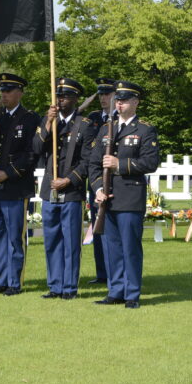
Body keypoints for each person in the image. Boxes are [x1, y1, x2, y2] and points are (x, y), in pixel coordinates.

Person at [91, 81, 160, 309]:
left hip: (130, 198)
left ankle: (132, 294)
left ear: (135, 102)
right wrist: (99, 189)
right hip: (107, 199)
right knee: (112, 249)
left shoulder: (144, 130)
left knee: (130, 248)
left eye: (124, 100)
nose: (119, 104)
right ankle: (115, 290)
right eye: (117, 100)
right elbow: (94, 163)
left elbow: (150, 162)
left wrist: (119, 164)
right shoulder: (105, 129)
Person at [32, 77, 97, 300]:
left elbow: (87, 161)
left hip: (70, 190)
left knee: (70, 241)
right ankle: (55, 285)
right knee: (51, 239)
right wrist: (48, 124)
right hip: (50, 189)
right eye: (58, 96)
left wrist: (68, 180)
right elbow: (37, 148)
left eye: (66, 96)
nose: (60, 100)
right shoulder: (48, 120)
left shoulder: (85, 124)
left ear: (76, 98)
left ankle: (69, 287)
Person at [0, 73, 39, 296]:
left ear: (20, 93)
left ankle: (15, 281)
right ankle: (0, 279)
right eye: (2, 91)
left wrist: (8, 173)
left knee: (15, 236)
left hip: (15, 187)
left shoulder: (30, 118)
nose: (4, 95)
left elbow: (31, 154)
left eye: (9, 91)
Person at [85, 77, 117, 285]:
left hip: (116, 180)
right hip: (95, 178)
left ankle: (115, 273)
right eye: (101, 94)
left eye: (107, 94)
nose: (103, 98)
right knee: (97, 225)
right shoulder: (94, 117)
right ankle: (102, 273)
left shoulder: (121, 117)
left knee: (113, 229)